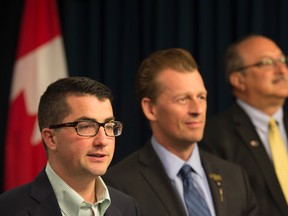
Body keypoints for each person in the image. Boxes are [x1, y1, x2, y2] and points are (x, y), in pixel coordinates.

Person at [103, 48, 259, 216]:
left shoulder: (234, 177)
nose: (197, 110)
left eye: (201, 97)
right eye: (182, 99)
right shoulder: (119, 186)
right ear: (150, 109)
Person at [0, 77, 140, 216]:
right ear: (51, 138)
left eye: (109, 126)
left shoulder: (127, 207)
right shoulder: (8, 209)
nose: (103, 141)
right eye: (86, 126)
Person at [201, 35, 288, 216]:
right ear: (238, 80)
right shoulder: (213, 136)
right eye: (266, 62)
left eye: (282, 60)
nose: (281, 69)